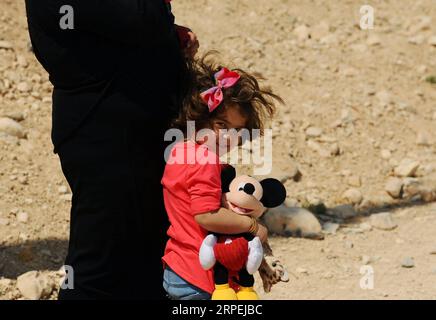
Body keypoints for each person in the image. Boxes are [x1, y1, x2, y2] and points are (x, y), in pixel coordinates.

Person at [24, 0, 198, 299]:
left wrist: (170, 40)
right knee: (99, 266)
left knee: (150, 257)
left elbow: (133, 29)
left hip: (138, 132)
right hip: (106, 137)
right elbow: (144, 19)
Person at [161, 55, 283, 300]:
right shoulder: (205, 160)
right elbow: (206, 214)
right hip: (200, 276)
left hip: (178, 266)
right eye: (221, 125)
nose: (229, 136)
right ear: (200, 118)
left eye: (237, 130)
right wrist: (253, 226)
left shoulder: (182, 150)